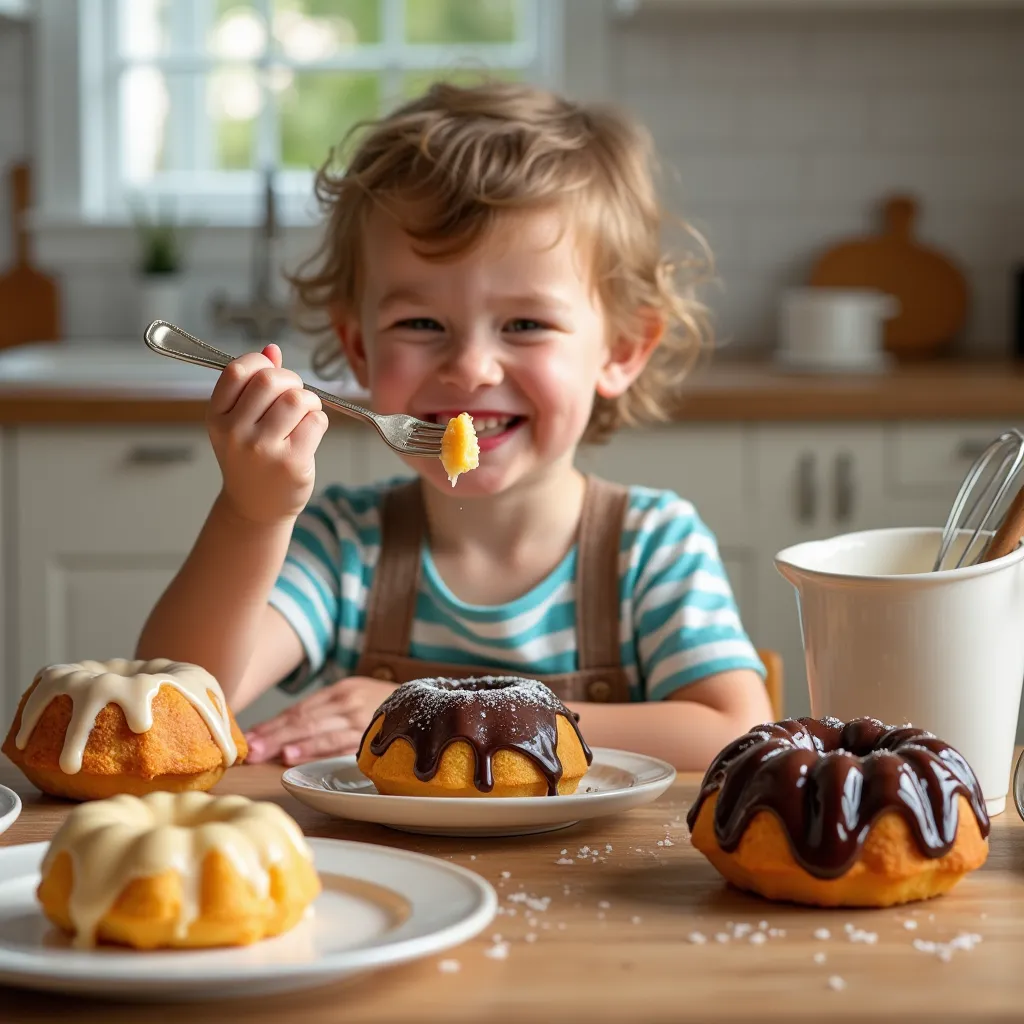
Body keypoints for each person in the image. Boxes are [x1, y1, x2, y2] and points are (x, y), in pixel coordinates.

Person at [136, 79, 773, 772]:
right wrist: (250, 513)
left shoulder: (650, 548)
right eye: (420, 324)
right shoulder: (346, 548)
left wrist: (437, 713)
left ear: (620, 350)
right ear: (359, 349)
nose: (470, 369)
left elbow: (730, 730)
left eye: (525, 324)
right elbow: (172, 704)